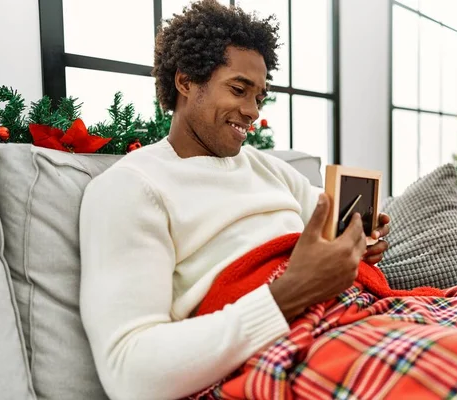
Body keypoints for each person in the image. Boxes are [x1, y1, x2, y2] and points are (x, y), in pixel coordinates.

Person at [79, 1, 390, 399]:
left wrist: (362, 238)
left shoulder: (266, 167)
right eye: (239, 90)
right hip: (287, 348)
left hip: (360, 314)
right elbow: (129, 372)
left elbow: (327, 224)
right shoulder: (130, 188)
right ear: (187, 81)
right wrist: (290, 293)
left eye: (259, 96)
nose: (252, 112)